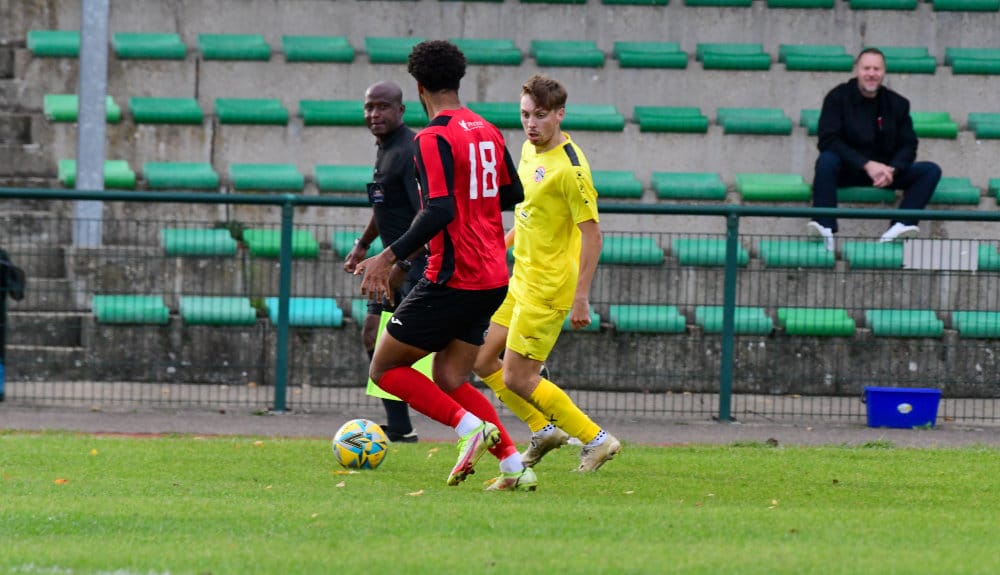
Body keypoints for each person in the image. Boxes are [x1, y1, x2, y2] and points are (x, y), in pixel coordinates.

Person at [354, 40, 535, 491]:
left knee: (384, 369)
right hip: (493, 275)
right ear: (458, 80)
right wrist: (473, 204)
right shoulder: (488, 130)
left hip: (454, 276)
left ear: (418, 87)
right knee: (451, 376)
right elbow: (513, 194)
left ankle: (469, 429)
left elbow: (437, 210)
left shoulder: (432, 137)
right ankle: (514, 466)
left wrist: (387, 256)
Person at [473, 74, 621, 473]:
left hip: (549, 287)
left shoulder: (572, 170)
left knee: (518, 378)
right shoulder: (528, 149)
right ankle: (543, 429)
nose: (530, 123)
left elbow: (593, 236)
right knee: (482, 360)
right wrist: (499, 247)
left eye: (540, 115)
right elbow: (529, 214)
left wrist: (581, 296)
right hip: (521, 279)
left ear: (559, 115)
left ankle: (597, 439)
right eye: (525, 114)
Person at [343, 81, 425, 443]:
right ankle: (400, 427)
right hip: (390, 266)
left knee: (438, 353)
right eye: (369, 107)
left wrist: (401, 264)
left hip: (416, 265)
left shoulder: (410, 150)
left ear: (400, 110)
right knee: (372, 334)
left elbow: (426, 214)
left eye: (383, 107)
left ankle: (511, 371)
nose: (374, 114)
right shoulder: (385, 150)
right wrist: (363, 245)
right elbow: (384, 206)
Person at [808, 47, 942, 252]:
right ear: (857, 70)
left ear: (884, 72)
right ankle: (824, 227)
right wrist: (866, 164)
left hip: (884, 174)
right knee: (826, 160)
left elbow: (909, 144)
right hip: (847, 170)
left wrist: (893, 169)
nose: (871, 74)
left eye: (876, 69)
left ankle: (899, 227)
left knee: (930, 171)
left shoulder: (898, 103)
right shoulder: (837, 98)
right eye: (866, 68)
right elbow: (828, 140)